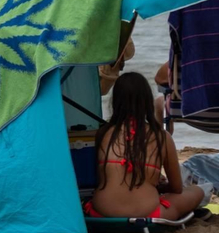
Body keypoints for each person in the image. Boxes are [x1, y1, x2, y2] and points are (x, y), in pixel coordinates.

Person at [88, 72, 209, 220]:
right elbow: (176, 188)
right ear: (147, 102)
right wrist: (157, 185)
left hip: (102, 211)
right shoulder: (161, 137)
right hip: (147, 213)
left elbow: (100, 177)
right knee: (197, 191)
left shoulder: (103, 133)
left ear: (115, 101)